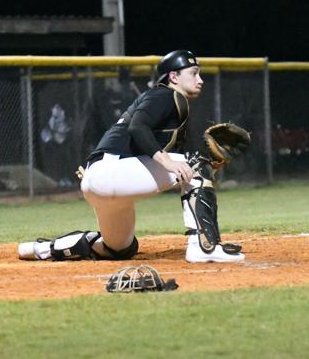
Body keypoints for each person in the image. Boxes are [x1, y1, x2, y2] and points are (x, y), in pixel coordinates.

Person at [17, 50, 245, 263]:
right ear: (174, 77)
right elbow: (138, 127)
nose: (200, 79)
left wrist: (202, 168)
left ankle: (43, 249)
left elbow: (179, 163)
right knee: (195, 163)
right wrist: (172, 162)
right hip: (111, 174)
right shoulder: (166, 95)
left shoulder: (167, 104)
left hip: (101, 181)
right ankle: (203, 246)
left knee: (118, 248)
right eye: (194, 73)